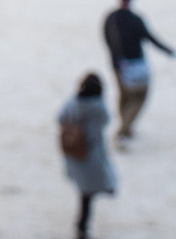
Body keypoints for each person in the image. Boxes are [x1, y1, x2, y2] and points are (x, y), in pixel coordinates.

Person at [102, 0, 176, 140]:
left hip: (117, 64)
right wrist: (168, 51)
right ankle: (124, 129)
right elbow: (150, 38)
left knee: (124, 96)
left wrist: (115, 59)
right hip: (135, 64)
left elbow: (106, 39)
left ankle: (125, 127)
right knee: (140, 97)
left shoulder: (111, 17)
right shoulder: (135, 19)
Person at [58, 72, 116, 239]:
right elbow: (106, 121)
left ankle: (82, 225)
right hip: (91, 156)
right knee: (89, 192)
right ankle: (82, 228)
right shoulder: (98, 108)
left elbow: (60, 118)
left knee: (84, 190)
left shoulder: (72, 102)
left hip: (73, 154)